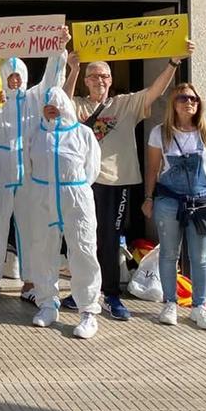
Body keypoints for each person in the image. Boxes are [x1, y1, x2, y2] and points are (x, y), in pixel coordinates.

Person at [63, 40, 195, 320]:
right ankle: (84, 291)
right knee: (83, 238)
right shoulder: (79, 106)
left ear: (111, 80)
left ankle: (110, 294)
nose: (100, 80)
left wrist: (173, 62)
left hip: (118, 182)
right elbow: (61, 103)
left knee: (109, 240)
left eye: (105, 76)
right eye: (94, 75)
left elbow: (155, 91)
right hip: (84, 183)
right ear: (86, 80)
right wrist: (72, 69)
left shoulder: (125, 104)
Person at [0, 29, 70, 308]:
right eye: (10, 76)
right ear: (4, 77)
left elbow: (53, 76)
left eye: (18, 76)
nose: (14, 80)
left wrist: (59, 47)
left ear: (25, 78)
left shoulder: (35, 97)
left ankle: (29, 283)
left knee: (31, 225)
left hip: (27, 167)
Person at [27, 88, 103, 339]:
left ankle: (88, 312)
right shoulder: (34, 134)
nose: (51, 108)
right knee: (43, 250)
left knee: (83, 251)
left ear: (66, 106)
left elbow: (91, 170)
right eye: (47, 105)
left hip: (75, 199)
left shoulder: (83, 134)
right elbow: (28, 166)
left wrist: (71, 190)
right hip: (42, 199)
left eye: (56, 104)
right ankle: (48, 304)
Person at [143, 83, 206, 330]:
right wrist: (149, 197)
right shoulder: (159, 132)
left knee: (201, 257)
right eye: (184, 98)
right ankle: (169, 303)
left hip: (202, 200)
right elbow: (153, 168)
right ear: (174, 103)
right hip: (169, 199)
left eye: (194, 99)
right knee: (168, 253)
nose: (189, 103)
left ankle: (200, 307)